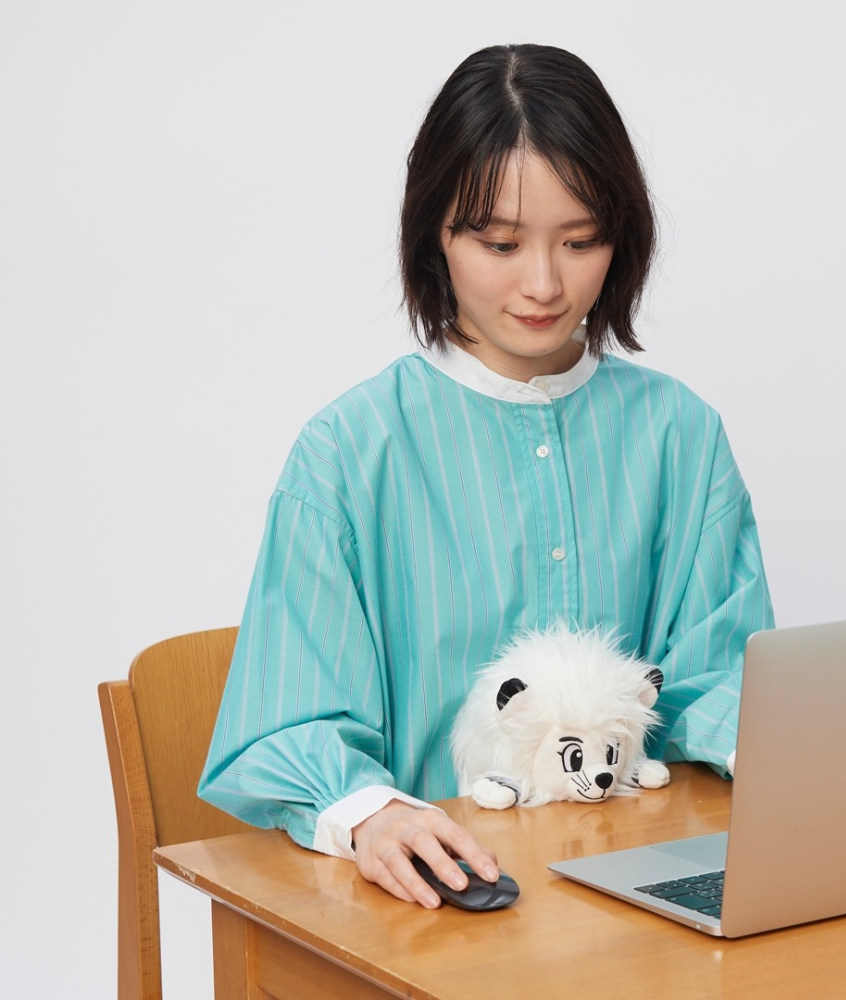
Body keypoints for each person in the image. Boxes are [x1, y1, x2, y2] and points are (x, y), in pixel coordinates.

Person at [198, 43, 774, 909]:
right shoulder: (351, 451)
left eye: (581, 241)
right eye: (500, 243)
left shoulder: (680, 435)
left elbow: (721, 679)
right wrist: (372, 813)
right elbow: (288, 722)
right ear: (433, 233)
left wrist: (796, 750)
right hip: (435, 906)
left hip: (639, 901)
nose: (543, 284)